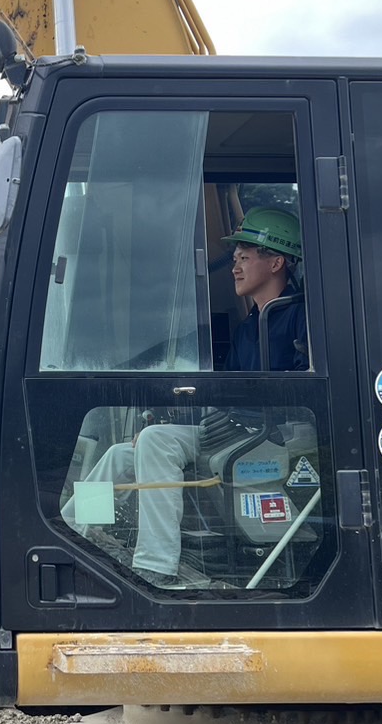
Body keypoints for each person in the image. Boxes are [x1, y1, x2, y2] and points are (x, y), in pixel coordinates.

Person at [62, 207, 308, 589]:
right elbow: (223, 391)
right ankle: (74, 532)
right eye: (235, 259)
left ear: (276, 262)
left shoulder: (300, 318)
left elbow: (306, 385)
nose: (235, 267)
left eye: (244, 257)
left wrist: (258, 412)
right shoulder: (248, 329)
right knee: (122, 453)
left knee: (157, 444)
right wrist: (181, 420)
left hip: (271, 434)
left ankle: (156, 564)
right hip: (232, 430)